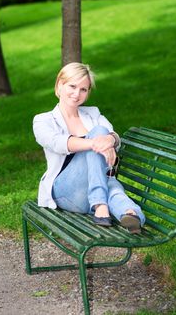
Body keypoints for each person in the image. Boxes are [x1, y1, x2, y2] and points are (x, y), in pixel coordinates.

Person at [33, 62, 145, 233]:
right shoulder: (43, 120)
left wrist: (110, 139)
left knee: (113, 188)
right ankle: (100, 203)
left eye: (83, 89)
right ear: (59, 85)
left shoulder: (93, 113)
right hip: (65, 191)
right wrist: (95, 143)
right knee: (99, 134)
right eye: (72, 86)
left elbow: (114, 136)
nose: (77, 94)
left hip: (96, 187)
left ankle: (130, 215)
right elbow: (58, 143)